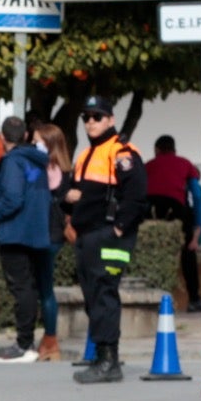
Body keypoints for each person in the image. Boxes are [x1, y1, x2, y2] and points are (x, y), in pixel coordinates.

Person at [66, 95, 146, 383]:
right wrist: (68, 200)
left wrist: (118, 230)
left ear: (111, 119)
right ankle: (102, 356)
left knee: (104, 295)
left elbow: (137, 196)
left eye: (97, 116)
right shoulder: (86, 155)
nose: (90, 122)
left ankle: (109, 362)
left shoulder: (121, 152)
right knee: (93, 298)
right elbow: (76, 194)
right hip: (87, 236)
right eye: (86, 117)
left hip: (108, 235)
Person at [0, 117, 53, 363]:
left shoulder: (13, 161)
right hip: (37, 231)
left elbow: (13, 198)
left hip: (15, 233)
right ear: (26, 135)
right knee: (31, 288)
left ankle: (24, 344)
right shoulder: (38, 160)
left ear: (2, 137)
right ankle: (28, 342)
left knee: (21, 289)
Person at [145, 134, 201, 313]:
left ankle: (150, 295)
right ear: (174, 149)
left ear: (156, 150)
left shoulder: (148, 165)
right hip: (176, 210)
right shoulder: (185, 164)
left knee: (148, 250)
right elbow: (197, 195)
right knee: (188, 253)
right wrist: (197, 231)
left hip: (150, 210)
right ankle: (194, 299)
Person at [30, 120, 74, 361]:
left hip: (43, 232)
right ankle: (49, 341)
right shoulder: (67, 171)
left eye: (37, 141)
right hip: (56, 234)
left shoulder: (45, 169)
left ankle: (50, 340)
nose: (33, 145)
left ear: (49, 144)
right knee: (44, 287)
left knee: (44, 289)